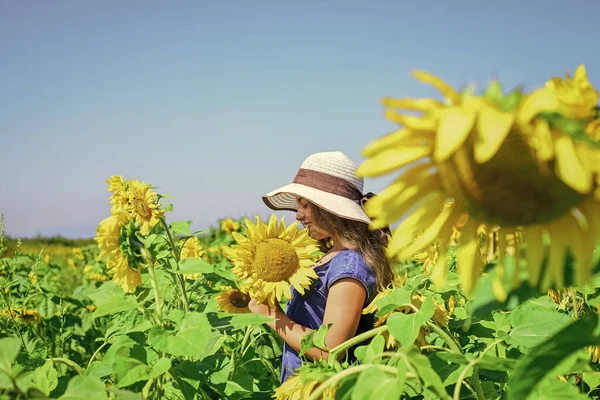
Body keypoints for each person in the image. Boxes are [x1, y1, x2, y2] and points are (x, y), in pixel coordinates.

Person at [247, 151, 393, 383]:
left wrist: (271, 316)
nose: (298, 215)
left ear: (330, 208)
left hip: (324, 388)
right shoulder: (331, 257)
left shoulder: (349, 265)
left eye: (305, 205)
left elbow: (330, 350)